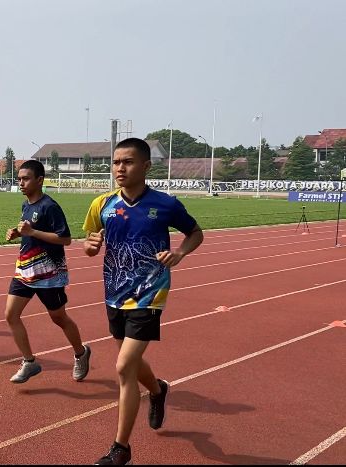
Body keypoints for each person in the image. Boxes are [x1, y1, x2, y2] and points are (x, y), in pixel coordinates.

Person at [84, 138, 204, 466]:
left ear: (146, 166)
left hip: (150, 292)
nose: (120, 168)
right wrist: (90, 247)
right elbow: (89, 242)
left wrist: (179, 253)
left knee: (124, 366)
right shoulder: (102, 204)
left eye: (128, 162)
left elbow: (195, 233)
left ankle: (120, 448)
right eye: (116, 162)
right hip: (114, 292)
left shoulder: (165, 204)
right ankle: (158, 389)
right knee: (131, 361)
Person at [4, 160, 90, 384]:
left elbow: (65, 239)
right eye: (19, 179)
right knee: (11, 315)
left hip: (49, 273)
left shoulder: (49, 206)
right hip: (25, 269)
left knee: (58, 318)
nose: (21, 183)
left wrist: (32, 231)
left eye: (25, 179)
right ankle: (29, 361)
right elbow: (29, 230)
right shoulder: (26, 205)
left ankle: (81, 353)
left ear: (39, 180)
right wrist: (18, 233)